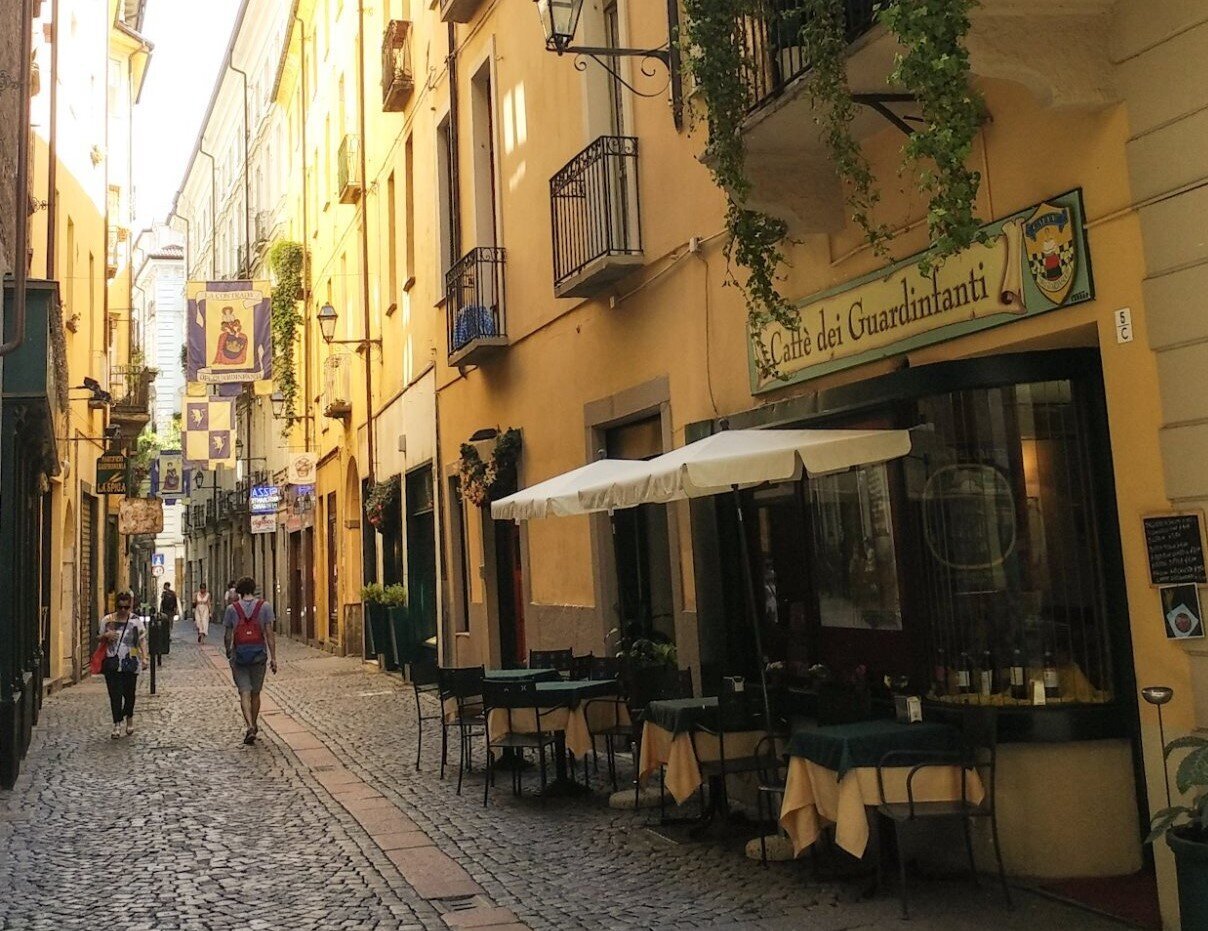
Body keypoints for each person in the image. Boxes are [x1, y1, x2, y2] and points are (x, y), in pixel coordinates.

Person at [222, 576, 277, 745]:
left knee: (244, 692)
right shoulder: (265, 607)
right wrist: (273, 657)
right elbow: (269, 634)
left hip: (240, 656)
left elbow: (227, 635)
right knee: (256, 693)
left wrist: (228, 652)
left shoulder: (232, 609)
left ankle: (249, 726)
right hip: (259, 655)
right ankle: (254, 723)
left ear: (238, 591)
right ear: (254, 589)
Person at [98, 591, 148, 739]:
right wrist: (105, 636)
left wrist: (144, 658)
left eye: (126, 607)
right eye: (120, 607)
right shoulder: (107, 620)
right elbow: (99, 638)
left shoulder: (135, 621)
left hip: (130, 663)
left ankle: (129, 718)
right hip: (112, 663)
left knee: (129, 695)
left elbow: (142, 640)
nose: (123, 610)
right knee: (115, 695)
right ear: (116, 606)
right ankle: (117, 724)